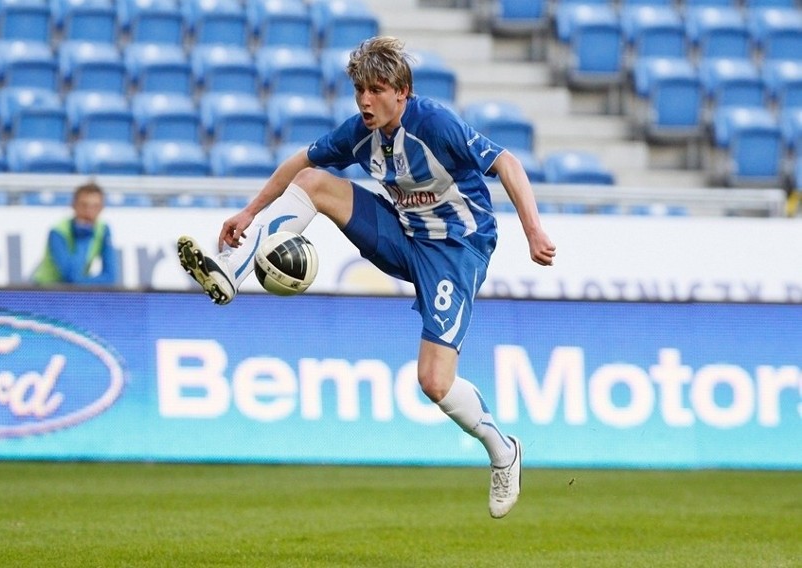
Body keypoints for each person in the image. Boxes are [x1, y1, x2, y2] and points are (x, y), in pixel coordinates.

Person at [177, 36, 556, 519]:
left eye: (376, 90)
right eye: (360, 89)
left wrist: (533, 230)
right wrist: (249, 212)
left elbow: (508, 163)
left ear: (403, 92)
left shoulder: (435, 125)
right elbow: (300, 161)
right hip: (403, 236)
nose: (365, 100)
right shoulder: (361, 132)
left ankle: (503, 450)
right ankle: (231, 271)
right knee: (313, 182)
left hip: (456, 250)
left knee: (434, 382)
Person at [33, 181, 119, 286]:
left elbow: (111, 277)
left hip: (76, 292)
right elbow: (70, 276)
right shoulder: (58, 232)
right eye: (84, 205)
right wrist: (83, 237)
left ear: (101, 208)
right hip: (45, 290)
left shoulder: (103, 230)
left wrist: (86, 282)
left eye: (95, 206)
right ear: (73, 206)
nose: (89, 211)